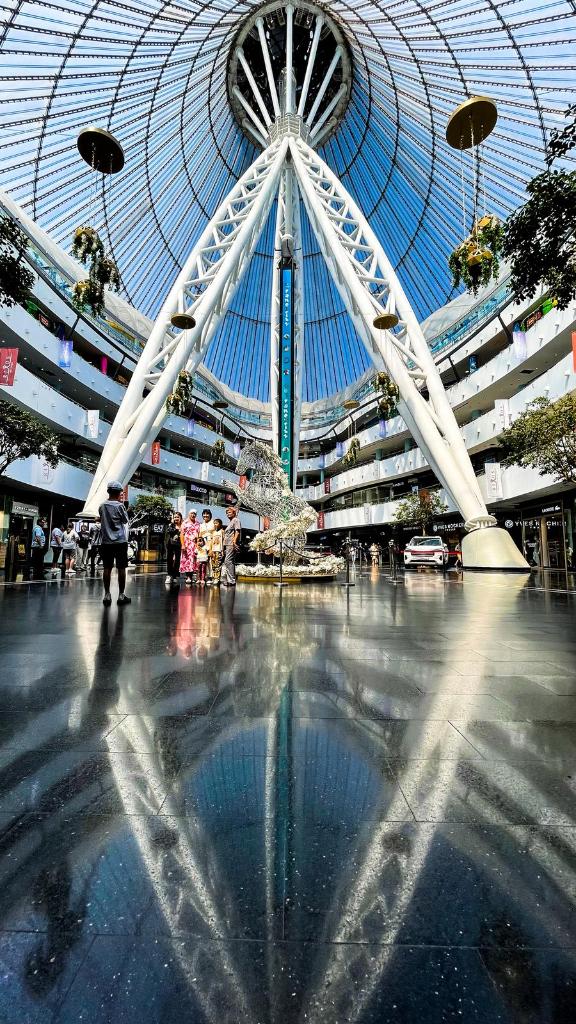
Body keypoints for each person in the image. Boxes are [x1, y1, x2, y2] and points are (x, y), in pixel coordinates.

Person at [98, 480, 131, 606]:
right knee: (121, 568)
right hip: (120, 541)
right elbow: (125, 520)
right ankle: (121, 595)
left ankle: (107, 594)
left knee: (107, 568)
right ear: (118, 493)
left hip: (106, 541)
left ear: (108, 491)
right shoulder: (120, 506)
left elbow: (101, 518)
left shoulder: (102, 506)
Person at [222, 505, 241, 587]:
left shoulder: (236, 520)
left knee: (228, 561)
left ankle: (231, 580)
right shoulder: (231, 521)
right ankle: (231, 580)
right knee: (229, 561)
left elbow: (237, 531)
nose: (228, 514)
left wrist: (234, 541)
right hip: (227, 544)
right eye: (227, 513)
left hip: (231, 543)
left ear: (234, 513)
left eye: (229, 512)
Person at [180, 509, 200, 586]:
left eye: (194, 514)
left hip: (195, 544)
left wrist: (198, 545)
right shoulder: (185, 523)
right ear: (189, 514)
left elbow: (199, 534)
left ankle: (194, 576)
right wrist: (183, 544)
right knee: (187, 560)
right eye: (191, 513)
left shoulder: (198, 523)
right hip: (187, 544)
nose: (193, 515)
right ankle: (188, 577)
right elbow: (182, 534)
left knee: (194, 560)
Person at [165, 511, 183, 586]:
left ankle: (175, 576)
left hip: (179, 544)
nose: (176, 518)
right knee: (169, 559)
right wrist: (177, 530)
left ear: (180, 518)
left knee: (177, 560)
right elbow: (169, 531)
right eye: (175, 517)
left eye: (178, 517)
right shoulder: (171, 525)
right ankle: (169, 575)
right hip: (170, 544)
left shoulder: (183, 525)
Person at [199, 508, 214, 583]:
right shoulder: (201, 524)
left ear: (210, 515)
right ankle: (204, 576)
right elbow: (199, 535)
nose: (205, 515)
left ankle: (211, 577)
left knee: (211, 560)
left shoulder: (213, 523)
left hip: (211, 542)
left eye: (207, 514)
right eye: (204, 514)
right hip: (204, 544)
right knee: (204, 560)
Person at [210, 518, 224, 585]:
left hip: (219, 550)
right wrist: (211, 550)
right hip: (213, 550)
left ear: (220, 524)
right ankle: (214, 577)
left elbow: (223, 541)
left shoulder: (222, 531)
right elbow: (211, 542)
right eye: (214, 523)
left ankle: (217, 578)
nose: (215, 524)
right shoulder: (213, 532)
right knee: (213, 564)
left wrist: (223, 550)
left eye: (216, 523)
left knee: (218, 564)